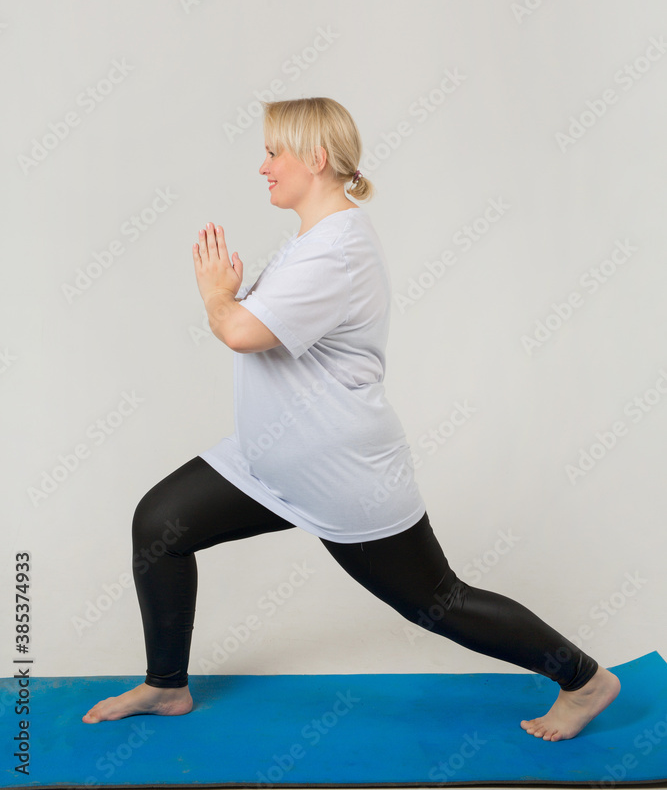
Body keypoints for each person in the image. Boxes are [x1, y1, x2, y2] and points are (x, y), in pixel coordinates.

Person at [82, 96, 620, 739]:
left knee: (436, 602)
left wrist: (219, 295)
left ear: (315, 157)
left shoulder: (336, 248)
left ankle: (585, 680)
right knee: (161, 524)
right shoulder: (315, 239)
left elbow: (241, 333)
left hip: (341, 471)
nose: (262, 167)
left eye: (273, 152)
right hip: (268, 460)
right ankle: (166, 686)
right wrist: (240, 296)